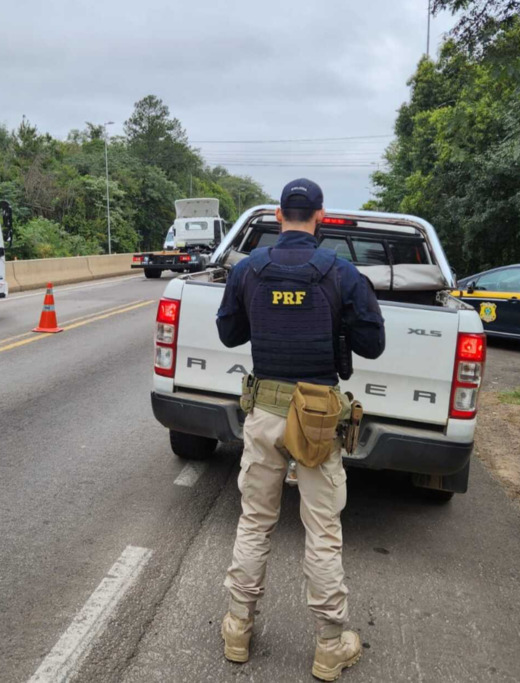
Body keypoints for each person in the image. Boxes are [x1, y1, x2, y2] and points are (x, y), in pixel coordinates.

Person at [215, 179, 385, 681]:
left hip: (264, 412)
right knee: (323, 532)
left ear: (276, 214)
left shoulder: (248, 270)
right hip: (317, 421)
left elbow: (229, 332)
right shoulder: (341, 273)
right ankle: (331, 645)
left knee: (254, 522)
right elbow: (372, 345)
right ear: (321, 216)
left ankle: (237, 629)